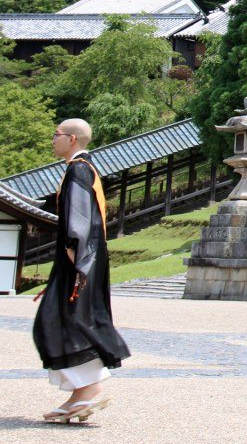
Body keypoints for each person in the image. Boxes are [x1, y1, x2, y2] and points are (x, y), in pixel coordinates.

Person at [33, 119, 130, 423]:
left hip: (80, 255)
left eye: (57, 134)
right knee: (68, 318)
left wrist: (75, 261)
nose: (53, 139)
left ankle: (89, 387)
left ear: (72, 139)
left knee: (61, 320)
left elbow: (79, 215)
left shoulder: (78, 170)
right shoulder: (85, 169)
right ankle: (79, 393)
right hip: (84, 255)